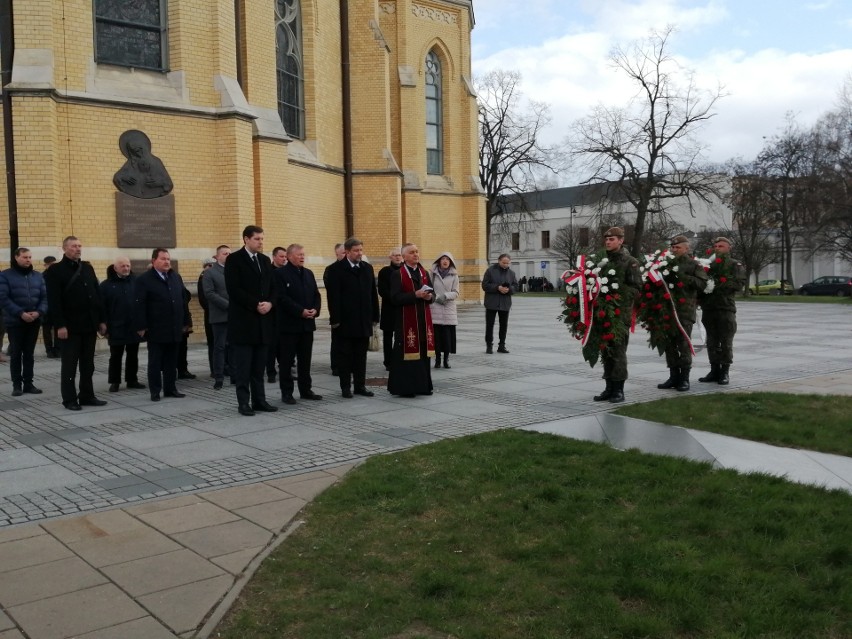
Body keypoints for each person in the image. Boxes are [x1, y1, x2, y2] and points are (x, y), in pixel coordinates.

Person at [43, 236, 108, 411]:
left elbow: (96, 294)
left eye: (79, 246)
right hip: (70, 326)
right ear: (65, 248)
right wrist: (60, 325)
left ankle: (87, 395)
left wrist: (101, 320)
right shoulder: (55, 270)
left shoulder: (87, 267)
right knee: (70, 364)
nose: (78, 249)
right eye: (73, 246)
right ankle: (69, 399)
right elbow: (54, 301)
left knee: (88, 364)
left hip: (89, 324)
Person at [225, 225, 278, 416]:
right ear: (246, 239)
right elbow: (234, 289)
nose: (261, 242)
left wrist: (270, 304)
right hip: (244, 322)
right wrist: (256, 304)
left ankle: (259, 400)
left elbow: (273, 287)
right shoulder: (234, 260)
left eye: (262, 239)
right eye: (257, 239)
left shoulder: (264, 261)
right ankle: (243, 402)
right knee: (244, 367)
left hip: (263, 322)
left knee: (258, 367)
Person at [324, 237, 379, 398]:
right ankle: (345, 387)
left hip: (363, 321)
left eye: (361, 250)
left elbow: (372, 294)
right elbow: (333, 297)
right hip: (345, 322)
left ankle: (360, 386)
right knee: (345, 356)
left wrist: (375, 316)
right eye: (356, 250)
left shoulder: (367, 268)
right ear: (347, 252)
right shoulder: (336, 269)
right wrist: (335, 320)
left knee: (361, 356)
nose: (359, 253)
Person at [592, 227, 641, 404]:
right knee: (606, 351)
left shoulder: (630, 262)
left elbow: (637, 288)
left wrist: (616, 290)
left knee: (618, 352)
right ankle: (608, 387)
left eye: (612, 239)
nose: (607, 242)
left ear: (621, 240)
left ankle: (618, 390)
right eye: (606, 239)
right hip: (602, 313)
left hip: (619, 315)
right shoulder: (601, 261)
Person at [133, 249, 189, 401]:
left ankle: (171, 389)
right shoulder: (144, 280)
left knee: (172, 361)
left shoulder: (175, 277)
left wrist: (186, 322)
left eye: (168, 259)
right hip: (156, 328)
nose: (167, 262)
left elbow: (183, 301)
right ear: (153, 261)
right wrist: (141, 326)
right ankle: (155, 391)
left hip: (174, 327)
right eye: (163, 259)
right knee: (156, 362)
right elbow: (139, 305)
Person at [656, 236, 708, 392]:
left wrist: (683, 277)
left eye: (677, 247)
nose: (673, 249)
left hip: (684, 311)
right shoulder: (666, 264)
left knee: (683, 344)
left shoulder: (693, 265)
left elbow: (702, 283)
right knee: (669, 345)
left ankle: (684, 378)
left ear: (686, 248)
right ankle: (673, 376)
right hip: (667, 310)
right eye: (672, 247)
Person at [274, 243, 323, 404]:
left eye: (303, 254)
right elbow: (281, 298)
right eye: (299, 254)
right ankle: (287, 392)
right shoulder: (280, 274)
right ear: (289, 256)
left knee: (305, 360)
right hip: (289, 325)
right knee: (287, 361)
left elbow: (316, 295)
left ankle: (306, 389)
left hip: (307, 325)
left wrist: (315, 309)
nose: (302, 257)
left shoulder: (308, 273)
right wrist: (300, 311)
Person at [387, 243, 435, 396]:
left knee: (422, 356)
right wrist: (415, 295)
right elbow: (394, 298)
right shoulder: (398, 274)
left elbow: (432, 296)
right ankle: (406, 388)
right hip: (405, 322)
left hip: (423, 321)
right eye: (412, 252)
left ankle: (423, 386)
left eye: (417, 251)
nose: (416, 254)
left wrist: (428, 297)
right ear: (405, 256)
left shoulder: (424, 273)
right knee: (406, 357)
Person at [698, 236, 746, 386]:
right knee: (712, 342)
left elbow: (739, 284)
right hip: (709, 308)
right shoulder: (708, 265)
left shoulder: (734, 265)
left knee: (725, 341)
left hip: (725, 308)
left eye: (721, 246)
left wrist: (717, 284)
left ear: (728, 248)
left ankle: (724, 372)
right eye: (716, 246)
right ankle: (714, 370)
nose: (717, 248)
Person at [0, 247, 48, 395]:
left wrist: (39, 312)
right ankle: (17, 385)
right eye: (25, 257)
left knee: (29, 354)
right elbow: (3, 298)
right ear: (16, 258)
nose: (28, 260)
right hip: (15, 321)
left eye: (29, 257)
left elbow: (45, 297)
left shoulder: (38, 276)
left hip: (34, 320)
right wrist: (20, 313)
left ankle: (29, 384)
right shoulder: (5, 276)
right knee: (16, 354)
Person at [100, 257, 145, 393]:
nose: (126, 268)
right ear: (115, 268)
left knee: (133, 355)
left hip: (134, 326)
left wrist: (143, 324)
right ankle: (114, 381)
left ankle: (132, 380)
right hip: (115, 327)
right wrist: (103, 324)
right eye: (123, 266)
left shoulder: (137, 282)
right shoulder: (106, 285)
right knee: (116, 356)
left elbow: (142, 304)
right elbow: (102, 307)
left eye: (128, 265)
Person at [112, 129, 173, 199]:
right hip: (134, 195)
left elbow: (169, 183)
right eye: (133, 151)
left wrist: (158, 183)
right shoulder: (131, 163)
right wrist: (125, 177)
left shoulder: (156, 162)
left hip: (153, 198)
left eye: (138, 150)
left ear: (143, 148)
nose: (137, 153)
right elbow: (117, 177)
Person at [202, 245, 231, 390]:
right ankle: (218, 376)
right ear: (217, 256)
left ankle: (235, 374)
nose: (228, 256)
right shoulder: (210, 273)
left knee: (234, 346)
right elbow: (209, 294)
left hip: (235, 316)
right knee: (219, 347)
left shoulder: (234, 271)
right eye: (225, 253)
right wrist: (228, 305)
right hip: (220, 315)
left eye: (230, 253)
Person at [481, 253, 518, 354]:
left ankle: (502, 345)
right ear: (499, 261)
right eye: (504, 262)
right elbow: (484, 285)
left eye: (507, 263)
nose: (506, 264)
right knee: (490, 325)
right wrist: (497, 288)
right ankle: (489, 345)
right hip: (491, 302)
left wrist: (509, 289)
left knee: (503, 325)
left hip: (505, 303)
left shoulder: (511, 273)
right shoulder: (490, 271)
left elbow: (515, 287)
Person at [430, 251, 459, 369]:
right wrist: (436, 297)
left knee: (447, 337)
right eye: (443, 259)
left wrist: (446, 296)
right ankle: (437, 359)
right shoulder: (432, 274)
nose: (445, 261)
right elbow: (429, 289)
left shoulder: (454, 275)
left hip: (448, 308)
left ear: (450, 262)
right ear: (439, 261)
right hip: (435, 306)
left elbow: (456, 292)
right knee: (436, 336)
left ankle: (446, 359)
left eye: (447, 259)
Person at [376, 247, 403, 371]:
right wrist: (395, 298)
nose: (398, 257)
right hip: (389, 309)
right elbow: (382, 290)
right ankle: (388, 361)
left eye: (399, 255)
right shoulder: (384, 272)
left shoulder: (405, 270)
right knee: (388, 337)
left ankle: (400, 359)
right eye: (395, 255)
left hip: (402, 308)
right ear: (390, 257)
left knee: (401, 336)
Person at [322, 243, 347, 376]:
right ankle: (336, 366)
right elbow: (331, 290)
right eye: (342, 253)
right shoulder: (330, 269)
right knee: (337, 340)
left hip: (351, 312)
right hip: (337, 310)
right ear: (336, 254)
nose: (345, 255)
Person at [266, 245, 288, 383]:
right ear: (274, 257)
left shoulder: (287, 271)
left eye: (286, 257)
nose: (284, 259)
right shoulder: (268, 271)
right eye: (281, 256)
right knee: (271, 346)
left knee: (285, 347)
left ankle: (286, 370)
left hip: (285, 313)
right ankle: (271, 372)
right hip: (272, 313)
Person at [197, 257, 216, 375]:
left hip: (217, 314)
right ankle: (214, 369)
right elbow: (203, 299)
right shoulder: (203, 277)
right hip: (211, 315)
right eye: (209, 265)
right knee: (213, 343)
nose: (211, 267)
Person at [41, 255, 60, 358]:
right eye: (50, 265)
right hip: (46, 307)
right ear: (45, 265)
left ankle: (58, 349)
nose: (53, 266)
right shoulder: (42, 277)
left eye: (54, 264)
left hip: (56, 306)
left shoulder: (59, 275)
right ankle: (49, 350)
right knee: (46, 330)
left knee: (58, 329)